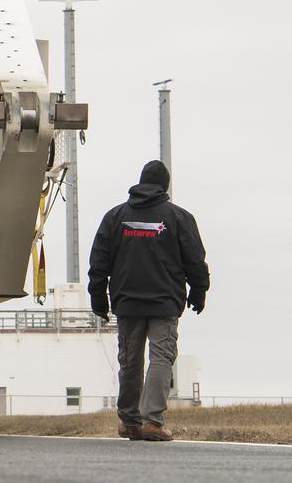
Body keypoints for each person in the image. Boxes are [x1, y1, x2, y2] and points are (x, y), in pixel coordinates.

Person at [88, 159, 209, 443]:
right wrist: (199, 290)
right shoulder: (179, 218)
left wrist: (98, 298)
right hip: (164, 304)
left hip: (127, 302)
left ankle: (130, 422)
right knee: (161, 358)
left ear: (141, 182)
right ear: (165, 186)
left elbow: (99, 261)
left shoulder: (115, 217)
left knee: (130, 361)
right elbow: (195, 259)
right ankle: (152, 422)